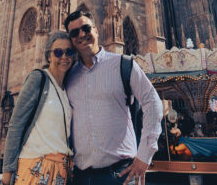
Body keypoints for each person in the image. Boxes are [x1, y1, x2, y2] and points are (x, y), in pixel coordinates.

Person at [64, 10, 163, 185]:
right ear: (71, 39)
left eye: (86, 28)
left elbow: (152, 101)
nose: (81, 35)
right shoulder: (68, 76)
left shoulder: (123, 64)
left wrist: (144, 155)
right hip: (81, 176)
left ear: (96, 30)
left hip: (122, 174)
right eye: (74, 33)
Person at [2, 31, 75, 185]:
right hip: (34, 168)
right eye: (58, 52)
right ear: (49, 56)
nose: (64, 57)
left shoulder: (66, 89)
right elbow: (16, 126)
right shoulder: (38, 79)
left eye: (69, 52)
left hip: (61, 171)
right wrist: (7, 175)